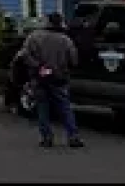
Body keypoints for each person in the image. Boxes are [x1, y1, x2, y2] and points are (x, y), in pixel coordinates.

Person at [21, 12, 84, 148]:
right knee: (65, 107)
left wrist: (37, 66)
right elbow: (74, 59)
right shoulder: (65, 40)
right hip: (59, 77)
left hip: (40, 77)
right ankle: (73, 136)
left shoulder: (34, 37)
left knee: (43, 108)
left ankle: (47, 137)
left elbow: (25, 55)